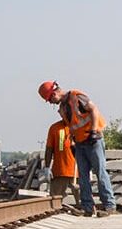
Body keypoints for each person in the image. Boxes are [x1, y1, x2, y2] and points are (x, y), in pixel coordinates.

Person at [39, 82, 115, 216]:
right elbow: (73, 126)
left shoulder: (76, 96)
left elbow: (93, 109)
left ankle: (109, 205)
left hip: (93, 140)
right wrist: (74, 142)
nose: (51, 102)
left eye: (50, 99)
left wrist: (93, 131)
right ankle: (87, 207)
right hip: (80, 143)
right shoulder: (63, 108)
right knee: (83, 177)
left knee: (100, 172)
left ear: (54, 93)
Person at [43, 116, 78, 205]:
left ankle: (86, 211)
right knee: (54, 200)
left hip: (77, 171)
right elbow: (49, 148)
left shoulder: (79, 126)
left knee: (83, 200)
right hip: (60, 170)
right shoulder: (55, 128)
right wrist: (47, 167)